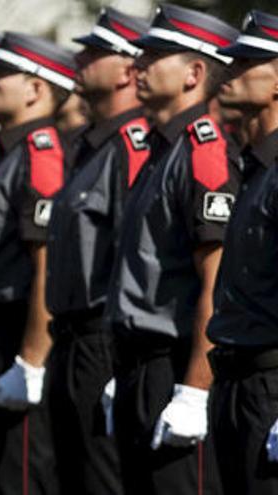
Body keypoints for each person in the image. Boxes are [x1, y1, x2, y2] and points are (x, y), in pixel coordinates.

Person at [104, 4, 240, 494]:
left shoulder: (202, 151)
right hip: (138, 365)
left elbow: (215, 283)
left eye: (154, 56)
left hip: (175, 365)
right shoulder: (162, 150)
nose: (136, 67)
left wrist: (193, 391)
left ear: (194, 73)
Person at [0, 31, 75, 495]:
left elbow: (45, 264)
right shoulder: (9, 153)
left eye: (3, 72)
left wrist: (30, 361)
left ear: (35, 88)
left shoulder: (40, 153)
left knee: (20, 477)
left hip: (16, 333)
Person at [44, 8, 148, 494]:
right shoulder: (87, 145)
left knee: (102, 481)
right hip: (67, 340)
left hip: (102, 342)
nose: (80, 58)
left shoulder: (134, 144)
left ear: (128, 69)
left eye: (96, 51)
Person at [207, 9, 278, 493]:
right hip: (235, 383)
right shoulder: (254, 167)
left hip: (270, 387)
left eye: (246, 63)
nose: (228, 73)